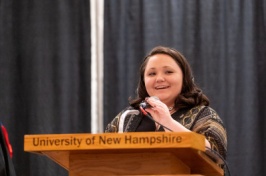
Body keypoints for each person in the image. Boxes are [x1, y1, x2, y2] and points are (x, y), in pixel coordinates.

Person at [105, 46, 227, 161]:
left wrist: (168, 123)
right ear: (143, 81)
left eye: (168, 72)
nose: (159, 79)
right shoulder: (127, 117)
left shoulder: (204, 115)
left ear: (184, 78)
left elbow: (216, 155)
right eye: (152, 74)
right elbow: (102, 156)